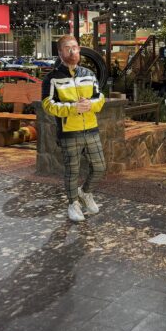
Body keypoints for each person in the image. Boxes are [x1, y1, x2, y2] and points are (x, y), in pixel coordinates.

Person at [42, 35, 106, 223]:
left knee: (100, 167)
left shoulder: (88, 74)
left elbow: (100, 98)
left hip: (91, 128)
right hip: (69, 131)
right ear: (60, 52)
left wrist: (90, 104)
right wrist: (72, 108)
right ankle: (73, 203)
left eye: (75, 47)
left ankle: (85, 193)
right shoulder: (52, 78)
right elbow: (47, 104)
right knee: (72, 170)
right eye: (68, 48)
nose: (73, 51)